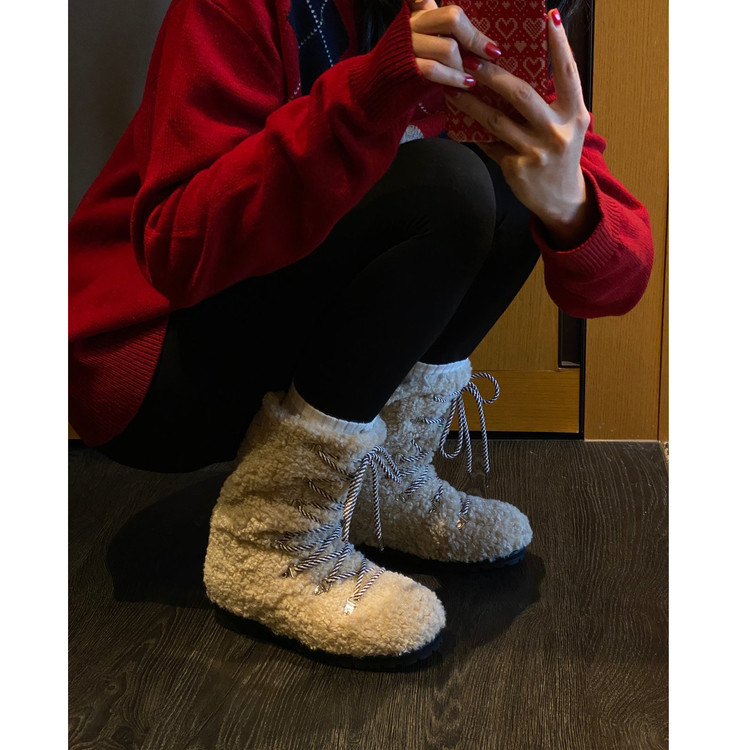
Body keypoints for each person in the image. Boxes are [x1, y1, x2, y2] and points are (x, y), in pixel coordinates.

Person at [69, 0, 654, 668]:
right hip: (153, 364)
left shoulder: (485, 22)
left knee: (513, 182)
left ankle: (383, 486)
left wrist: (569, 205)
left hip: (266, 344)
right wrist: (372, 91)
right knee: (451, 184)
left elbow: (616, 284)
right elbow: (177, 249)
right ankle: (273, 540)